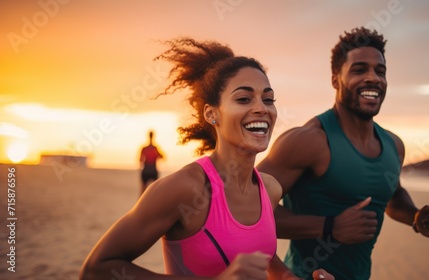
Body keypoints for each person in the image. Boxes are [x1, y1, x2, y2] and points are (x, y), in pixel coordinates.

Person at [80, 38, 334, 280]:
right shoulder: (186, 189)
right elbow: (97, 270)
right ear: (212, 114)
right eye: (244, 98)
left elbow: (264, 258)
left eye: (268, 99)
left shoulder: (270, 189)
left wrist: (289, 276)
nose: (262, 108)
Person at [257, 27, 429, 280]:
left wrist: (414, 216)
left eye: (380, 71)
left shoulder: (394, 145)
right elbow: (248, 210)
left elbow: (391, 194)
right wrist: (330, 227)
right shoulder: (309, 141)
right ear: (336, 79)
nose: (373, 78)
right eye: (359, 70)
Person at [139, 130, 165, 194]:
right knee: (155, 190)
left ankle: (142, 203)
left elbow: (140, 160)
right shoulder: (155, 148)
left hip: (146, 170)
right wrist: (155, 157)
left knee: (143, 191)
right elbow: (162, 157)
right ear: (153, 136)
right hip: (153, 170)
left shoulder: (145, 148)